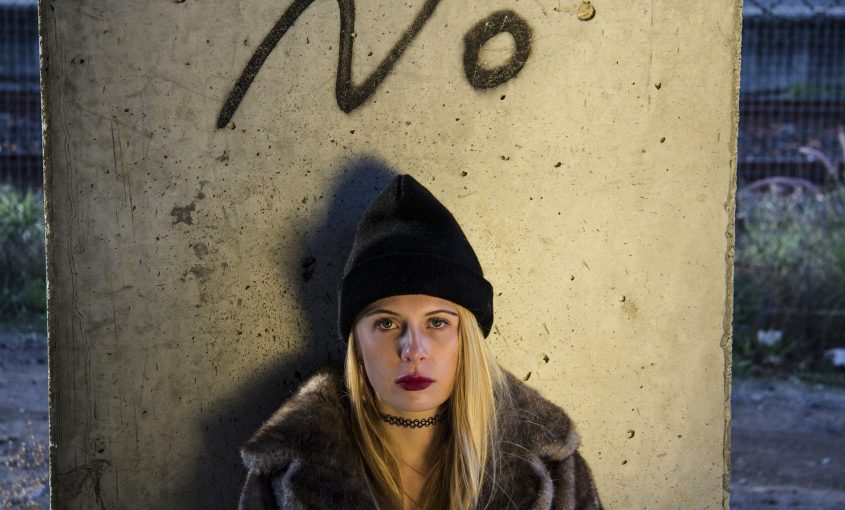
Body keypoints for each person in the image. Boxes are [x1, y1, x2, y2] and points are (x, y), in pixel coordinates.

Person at [238, 175, 602, 509]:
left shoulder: (553, 467)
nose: (413, 350)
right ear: (356, 344)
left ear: (467, 340)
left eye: (437, 322)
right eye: (386, 323)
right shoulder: (282, 474)